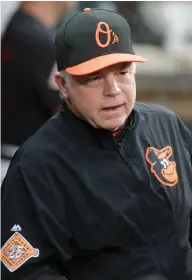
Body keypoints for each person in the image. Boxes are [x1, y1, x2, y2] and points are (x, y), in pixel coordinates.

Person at [1, 8, 192, 280]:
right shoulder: (39, 164)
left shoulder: (166, 126)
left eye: (123, 72)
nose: (112, 90)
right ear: (63, 85)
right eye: (94, 78)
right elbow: (24, 271)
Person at [1, 1, 74, 182]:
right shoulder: (35, 40)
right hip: (28, 170)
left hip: (17, 162)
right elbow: (73, 115)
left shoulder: (17, 27)